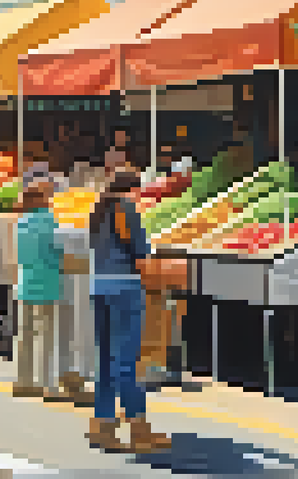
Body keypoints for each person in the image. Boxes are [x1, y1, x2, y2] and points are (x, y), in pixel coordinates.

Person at [86, 172, 171, 453]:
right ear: (131, 189)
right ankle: (139, 429)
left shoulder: (98, 213)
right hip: (126, 289)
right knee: (127, 362)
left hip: (99, 288)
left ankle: (102, 424)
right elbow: (141, 257)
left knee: (106, 360)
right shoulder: (127, 209)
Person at [15, 180, 64, 398]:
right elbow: (56, 251)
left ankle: (23, 380)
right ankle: (47, 384)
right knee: (46, 335)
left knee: (25, 333)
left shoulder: (22, 222)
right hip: (47, 281)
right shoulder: (50, 222)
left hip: (25, 281)